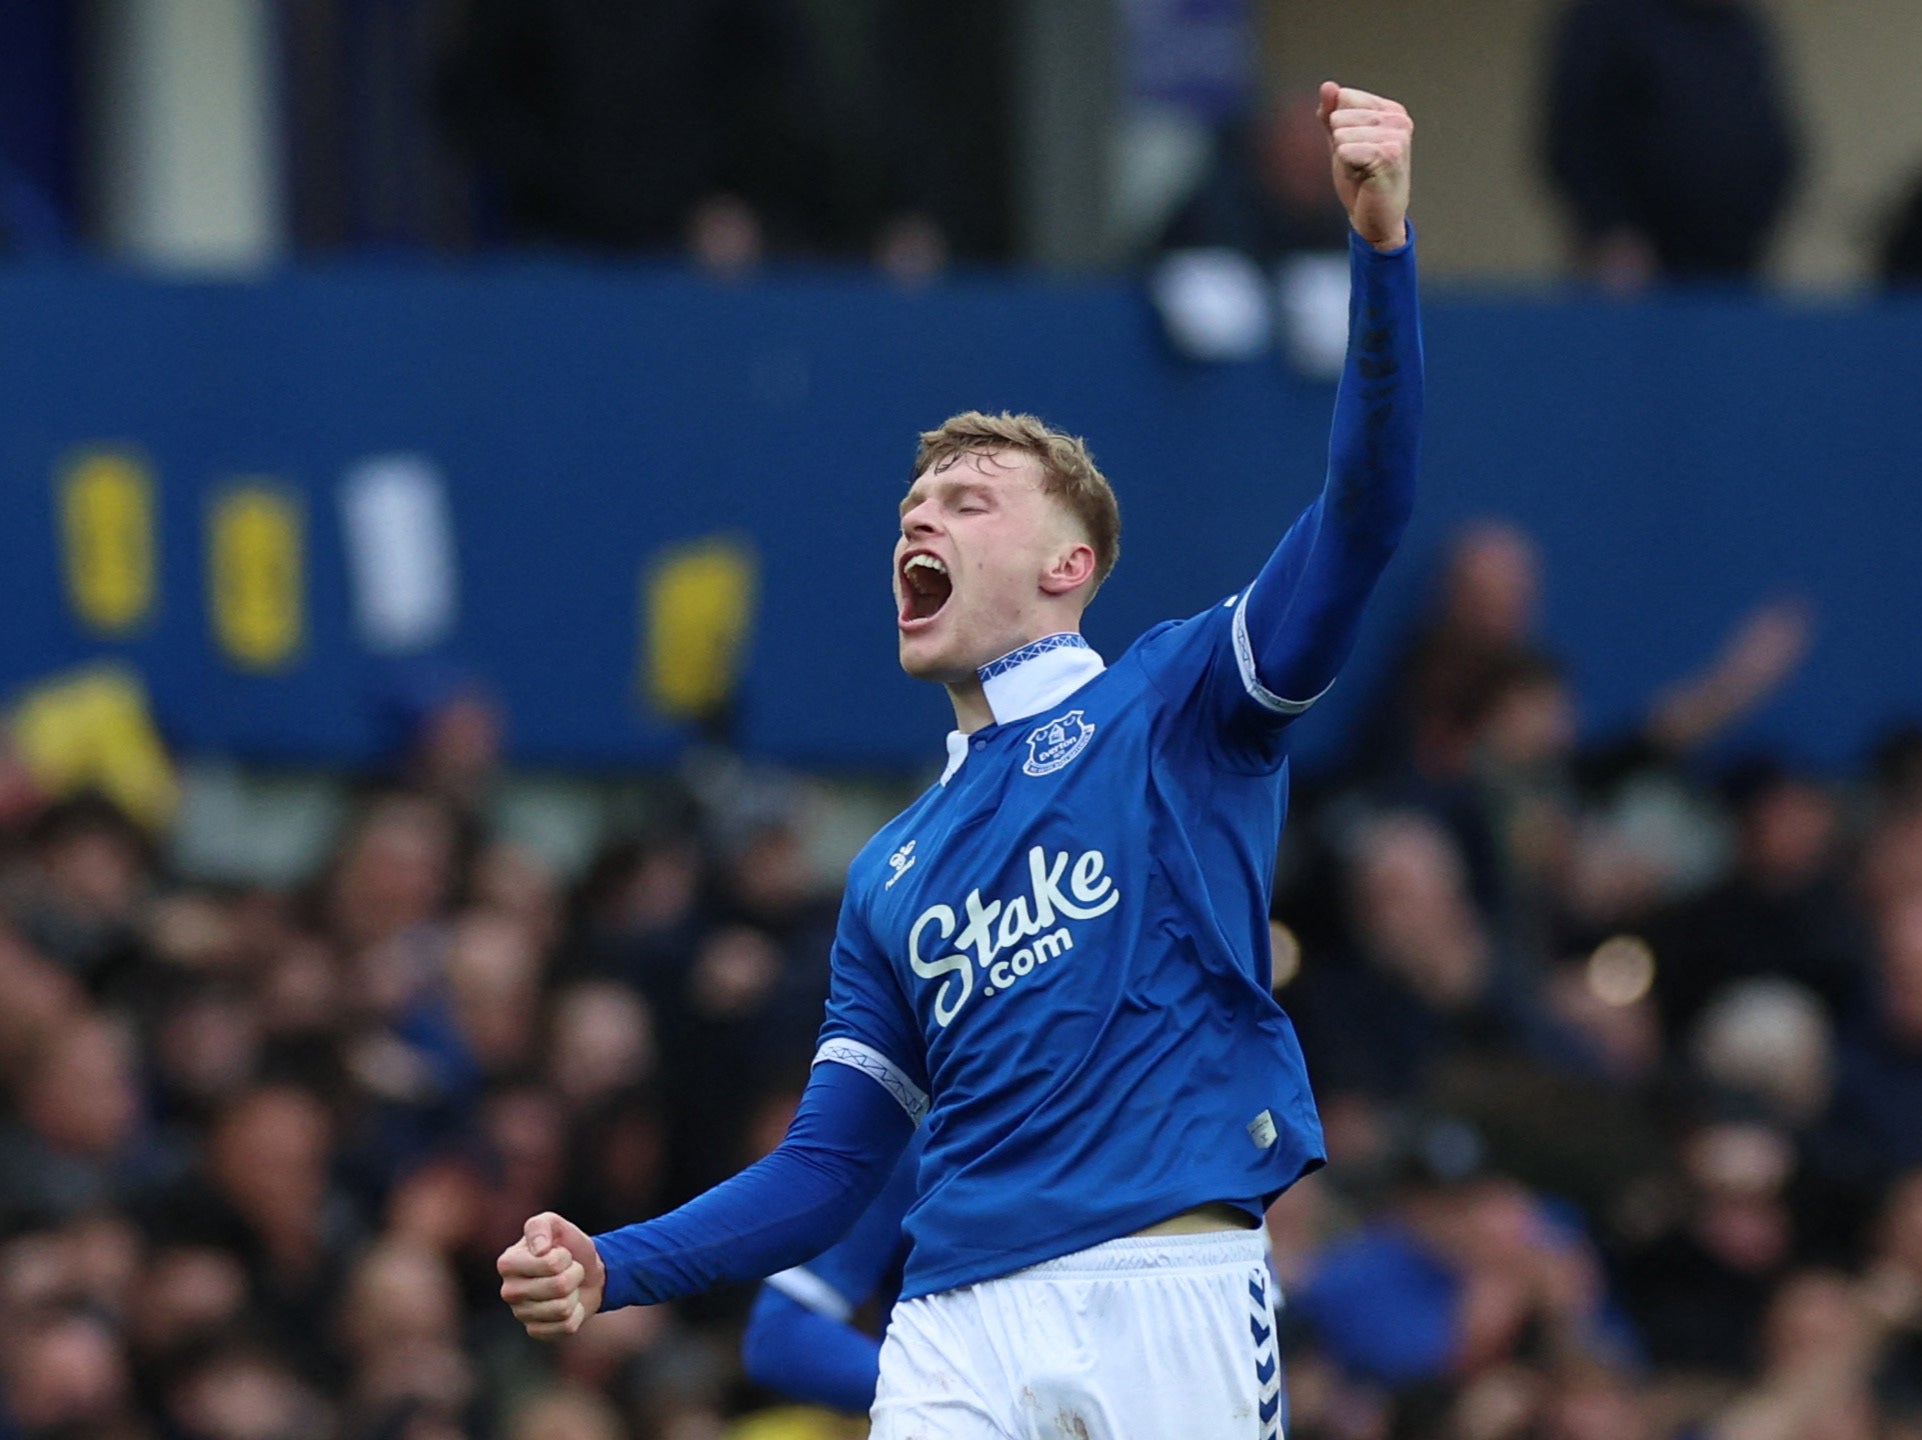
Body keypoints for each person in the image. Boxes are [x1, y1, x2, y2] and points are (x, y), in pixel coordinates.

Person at [498, 80, 1420, 1438]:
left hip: (1169, 1283)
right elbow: (825, 1172)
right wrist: (610, 1262)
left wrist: (1380, 253)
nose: (918, 517)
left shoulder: (1176, 700)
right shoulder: (888, 872)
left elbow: (1361, 517)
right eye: (911, 505)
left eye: (967, 498)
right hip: (951, 1322)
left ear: (1069, 564)